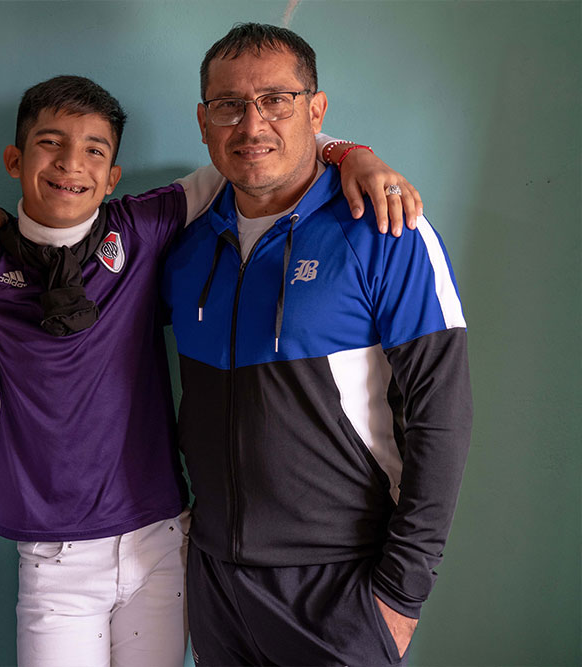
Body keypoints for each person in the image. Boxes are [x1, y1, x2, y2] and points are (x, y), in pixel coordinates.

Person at [0, 76, 421, 667]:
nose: (70, 164)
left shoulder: (147, 225)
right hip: (53, 555)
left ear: (111, 175)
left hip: (161, 536)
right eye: (49, 144)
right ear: (14, 159)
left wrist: (351, 153)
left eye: (93, 151)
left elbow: (251, 155)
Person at [161, 23, 472, 666]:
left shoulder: (388, 229)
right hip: (216, 581)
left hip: (342, 590)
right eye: (229, 105)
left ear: (317, 110)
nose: (253, 125)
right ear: (203, 120)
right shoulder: (185, 242)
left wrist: (401, 595)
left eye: (277, 99)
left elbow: (443, 416)